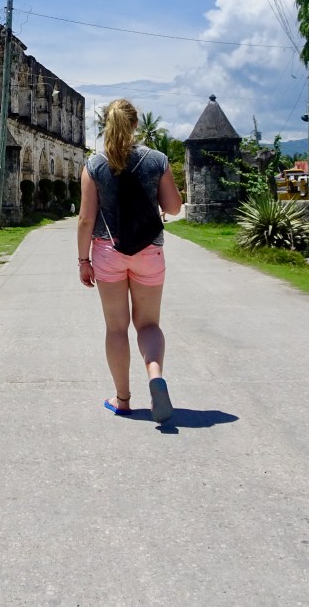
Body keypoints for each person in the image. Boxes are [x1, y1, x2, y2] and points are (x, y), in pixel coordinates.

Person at [77, 99, 183, 423]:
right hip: (149, 251)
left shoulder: (94, 165)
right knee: (148, 325)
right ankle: (155, 377)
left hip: (108, 253)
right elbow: (175, 207)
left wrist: (84, 260)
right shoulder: (158, 160)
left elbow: (85, 219)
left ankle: (122, 400)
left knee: (116, 327)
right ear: (136, 125)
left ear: (106, 126)